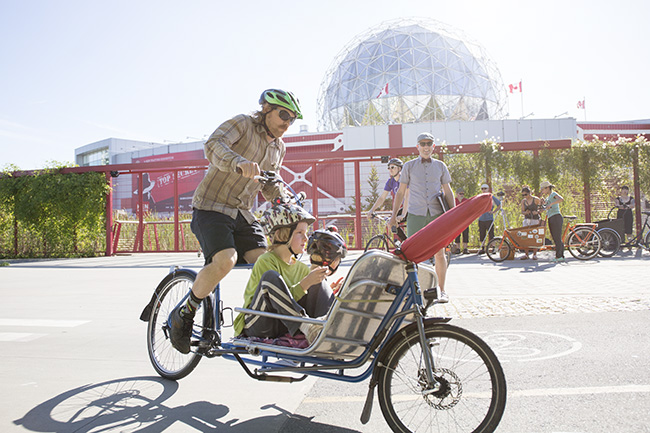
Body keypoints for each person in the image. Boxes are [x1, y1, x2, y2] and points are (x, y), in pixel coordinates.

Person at [169, 89, 303, 354]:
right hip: (211, 207)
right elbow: (213, 145)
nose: (287, 123)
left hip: (242, 213)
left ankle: (258, 324)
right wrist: (238, 162)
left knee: (269, 262)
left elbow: (269, 186)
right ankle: (184, 314)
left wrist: (285, 198)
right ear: (266, 109)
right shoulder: (242, 124)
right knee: (225, 260)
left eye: (293, 119)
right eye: (284, 115)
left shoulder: (279, 147)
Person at [233, 208, 347, 344]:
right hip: (258, 322)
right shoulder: (266, 260)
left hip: (284, 325)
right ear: (282, 236)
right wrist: (305, 283)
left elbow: (297, 298)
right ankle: (307, 327)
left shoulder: (300, 268)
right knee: (270, 278)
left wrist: (327, 290)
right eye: (300, 233)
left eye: (306, 233)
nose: (306, 238)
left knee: (319, 284)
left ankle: (330, 330)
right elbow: (278, 303)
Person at [388, 132, 454, 302]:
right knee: (412, 254)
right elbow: (401, 192)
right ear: (417, 147)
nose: (426, 147)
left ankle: (441, 290)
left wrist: (454, 214)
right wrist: (393, 215)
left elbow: (447, 191)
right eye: (422, 144)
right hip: (416, 215)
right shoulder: (409, 166)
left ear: (433, 146)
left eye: (429, 143)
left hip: (436, 214)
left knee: (440, 253)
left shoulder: (440, 166)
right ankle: (413, 290)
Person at [367, 158, 409, 242]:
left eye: (392, 167)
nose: (390, 170)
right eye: (389, 168)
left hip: (412, 207)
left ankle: (407, 243)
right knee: (391, 222)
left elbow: (408, 197)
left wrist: (403, 214)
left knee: (394, 221)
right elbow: (382, 197)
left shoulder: (404, 180)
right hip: (405, 208)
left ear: (399, 168)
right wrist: (372, 210)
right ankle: (405, 242)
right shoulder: (391, 182)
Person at [540, 180, 565, 263]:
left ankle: (559, 256)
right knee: (554, 237)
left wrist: (551, 204)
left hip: (556, 217)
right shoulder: (548, 197)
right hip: (551, 217)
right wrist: (544, 203)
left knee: (557, 237)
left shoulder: (553, 194)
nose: (542, 191)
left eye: (543, 189)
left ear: (547, 188)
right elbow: (545, 207)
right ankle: (559, 255)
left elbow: (561, 199)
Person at [477, 184, 501, 254]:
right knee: (482, 234)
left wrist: (493, 211)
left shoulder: (491, 197)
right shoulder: (479, 197)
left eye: (485, 188)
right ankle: (483, 248)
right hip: (481, 219)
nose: (484, 190)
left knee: (491, 234)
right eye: (482, 189)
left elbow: (499, 204)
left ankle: (493, 248)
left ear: (488, 189)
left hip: (489, 218)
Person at [520, 186, 541, 260]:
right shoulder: (523, 201)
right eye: (523, 195)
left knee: (535, 236)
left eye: (526, 194)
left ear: (530, 193)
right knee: (525, 236)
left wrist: (537, 212)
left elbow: (542, 207)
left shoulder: (536, 199)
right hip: (527, 219)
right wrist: (525, 212)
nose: (525, 196)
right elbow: (522, 211)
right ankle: (526, 254)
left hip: (535, 219)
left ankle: (535, 254)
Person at [453, 188, 470, 254]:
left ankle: (465, 248)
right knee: (457, 234)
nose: (462, 195)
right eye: (460, 193)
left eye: (463, 193)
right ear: (457, 194)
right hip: (457, 220)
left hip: (465, 220)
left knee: (465, 234)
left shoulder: (466, 200)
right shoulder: (454, 201)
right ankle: (458, 248)